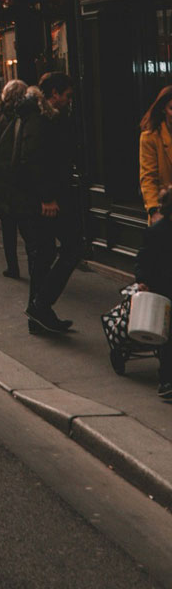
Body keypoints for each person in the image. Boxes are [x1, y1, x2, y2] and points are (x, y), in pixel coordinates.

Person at [0, 72, 80, 336]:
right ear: (54, 93)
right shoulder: (39, 119)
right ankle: (40, 306)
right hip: (40, 201)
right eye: (67, 95)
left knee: (44, 255)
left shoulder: (36, 115)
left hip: (37, 198)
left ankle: (38, 313)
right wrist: (47, 197)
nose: (68, 100)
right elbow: (32, 160)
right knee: (70, 248)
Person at [0, 78, 29, 279]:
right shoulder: (28, 115)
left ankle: (13, 267)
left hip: (3, 177)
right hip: (22, 176)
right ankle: (35, 264)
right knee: (28, 227)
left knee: (8, 227)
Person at [133, 185, 172, 403]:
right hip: (164, 290)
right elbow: (143, 259)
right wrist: (143, 281)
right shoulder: (156, 232)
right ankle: (167, 379)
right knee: (168, 339)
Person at [139, 86, 172, 223]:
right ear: (163, 109)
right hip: (165, 211)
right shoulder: (151, 137)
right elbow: (148, 177)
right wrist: (153, 211)